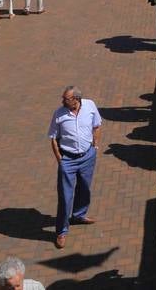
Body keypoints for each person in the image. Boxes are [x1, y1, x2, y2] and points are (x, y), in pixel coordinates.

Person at [48, 86, 102, 249]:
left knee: (84, 188)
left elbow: (97, 125)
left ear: (76, 100)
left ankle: (79, 215)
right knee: (65, 196)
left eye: (66, 99)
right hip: (68, 160)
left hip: (87, 156)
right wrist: (60, 160)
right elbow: (53, 138)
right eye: (63, 98)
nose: (63, 101)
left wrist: (95, 147)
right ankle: (61, 231)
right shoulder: (59, 114)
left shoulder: (90, 106)